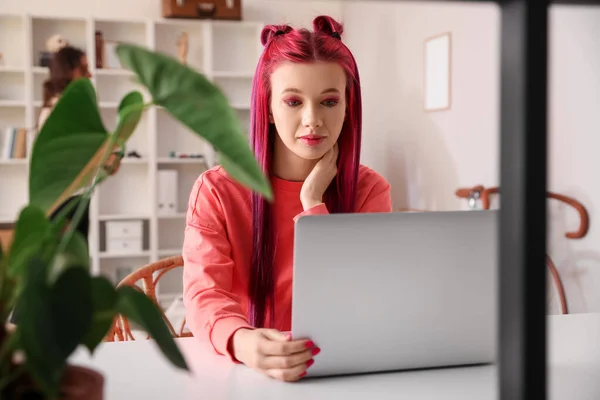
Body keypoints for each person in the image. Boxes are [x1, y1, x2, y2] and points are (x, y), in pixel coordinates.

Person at [182, 15, 393, 382]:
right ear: (267, 107)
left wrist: (312, 201)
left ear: (348, 106)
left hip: (342, 376)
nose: (312, 120)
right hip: (244, 376)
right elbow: (205, 296)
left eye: (329, 102)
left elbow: (360, 300)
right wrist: (244, 342)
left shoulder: (370, 190)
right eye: (293, 101)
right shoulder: (216, 190)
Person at [37, 45, 120, 238]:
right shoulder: (59, 111)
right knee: (67, 261)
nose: (90, 75)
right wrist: (107, 155)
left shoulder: (69, 107)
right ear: (68, 71)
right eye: (84, 69)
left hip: (75, 197)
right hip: (62, 201)